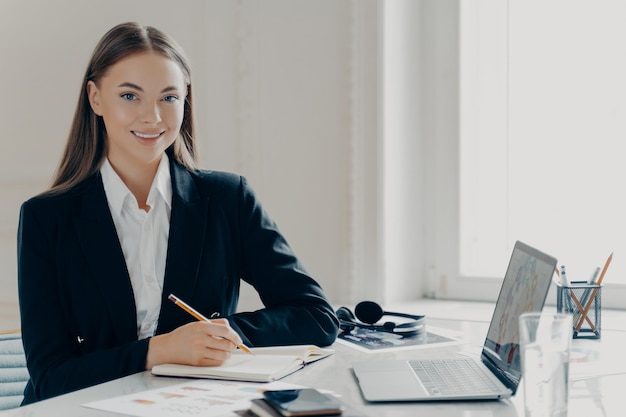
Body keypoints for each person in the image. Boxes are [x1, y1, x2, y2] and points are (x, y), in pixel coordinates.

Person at [17, 22, 339, 405]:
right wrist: (160, 350)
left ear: (186, 100)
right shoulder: (46, 218)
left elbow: (317, 317)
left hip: (193, 405)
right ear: (95, 98)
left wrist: (222, 333)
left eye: (169, 97)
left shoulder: (227, 199)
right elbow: (51, 378)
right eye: (130, 96)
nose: (153, 116)